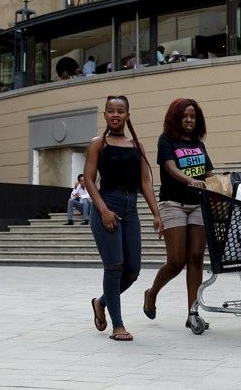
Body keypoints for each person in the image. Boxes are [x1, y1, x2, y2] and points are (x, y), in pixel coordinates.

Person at [86, 95, 162, 342]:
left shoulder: (136, 146)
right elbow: (88, 179)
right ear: (105, 115)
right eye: (110, 111)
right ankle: (117, 325)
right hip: (107, 205)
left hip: (130, 209)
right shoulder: (99, 143)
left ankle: (101, 302)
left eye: (120, 111)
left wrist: (156, 213)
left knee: (133, 271)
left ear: (128, 115)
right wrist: (104, 210)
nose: (115, 115)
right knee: (114, 267)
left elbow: (145, 182)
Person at [144, 98, 215, 330]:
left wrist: (222, 184)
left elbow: (209, 172)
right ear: (176, 117)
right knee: (176, 261)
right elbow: (169, 168)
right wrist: (191, 180)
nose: (189, 120)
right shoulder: (166, 140)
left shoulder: (198, 144)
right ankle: (152, 293)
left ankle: (193, 313)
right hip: (172, 203)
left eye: (193, 116)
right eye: (185, 115)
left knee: (195, 258)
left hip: (198, 205)